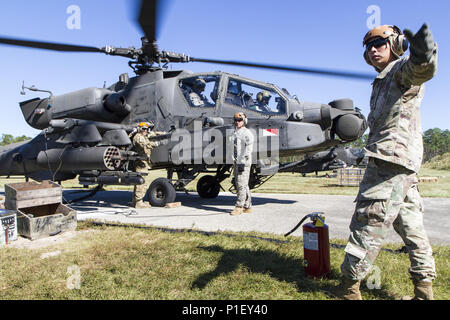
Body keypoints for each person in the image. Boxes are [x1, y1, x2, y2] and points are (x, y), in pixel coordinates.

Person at [334, 24, 437, 300]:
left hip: (388, 162)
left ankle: (348, 289)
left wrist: (423, 52)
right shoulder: (384, 78)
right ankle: (424, 291)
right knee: (411, 226)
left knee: (367, 222)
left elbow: (421, 68)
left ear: (395, 44)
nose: (373, 49)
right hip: (402, 164)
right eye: (369, 46)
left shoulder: (401, 71)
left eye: (380, 43)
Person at [131, 122, 165, 208]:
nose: (145, 131)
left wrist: (164, 133)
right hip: (141, 162)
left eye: (146, 129)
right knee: (142, 182)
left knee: (139, 181)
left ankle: (135, 201)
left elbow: (153, 133)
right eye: (143, 129)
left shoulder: (143, 136)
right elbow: (145, 145)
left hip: (144, 161)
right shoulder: (138, 137)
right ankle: (138, 202)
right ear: (139, 129)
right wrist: (156, 144)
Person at [230, 112, 254, 215]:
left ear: (244, 121)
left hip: (243, 162)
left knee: (240, 185)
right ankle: (247, 206)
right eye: (236, 120)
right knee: (243, 184)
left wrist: (242, 162)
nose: (237, 122)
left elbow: (248, 148)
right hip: (236, 162)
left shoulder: (246, 133)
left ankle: (239, 206)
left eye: (239, 120)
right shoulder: (234, 133)